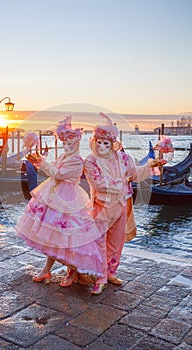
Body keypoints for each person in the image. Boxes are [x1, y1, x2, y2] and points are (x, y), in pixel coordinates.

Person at [15, 116, 105, 287]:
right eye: (64, 144)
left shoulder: (78, 161)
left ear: (77, 143)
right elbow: (52, 169)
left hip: (68, 199)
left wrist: (43, 162)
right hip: (53, 195)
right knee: (53, 238)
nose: (67, 147)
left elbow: (58, 174)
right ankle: (47, 271)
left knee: (66, 239)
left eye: (70, 144)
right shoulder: (65, 156)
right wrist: (39, 161)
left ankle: (73, 272)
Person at [84, 112, 154, 295]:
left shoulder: (124, 158)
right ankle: (100, 277)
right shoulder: (90, 160)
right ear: (94, 141)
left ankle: (111, 273)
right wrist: (123, 182)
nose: (101, 146)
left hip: (122, 205)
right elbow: (97, 182)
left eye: (105, 143)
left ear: (113, 143)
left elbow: (135, 173)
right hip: (101, 206)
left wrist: (151, 165)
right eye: (98, 142)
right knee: (99, 242)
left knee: (117, 242)